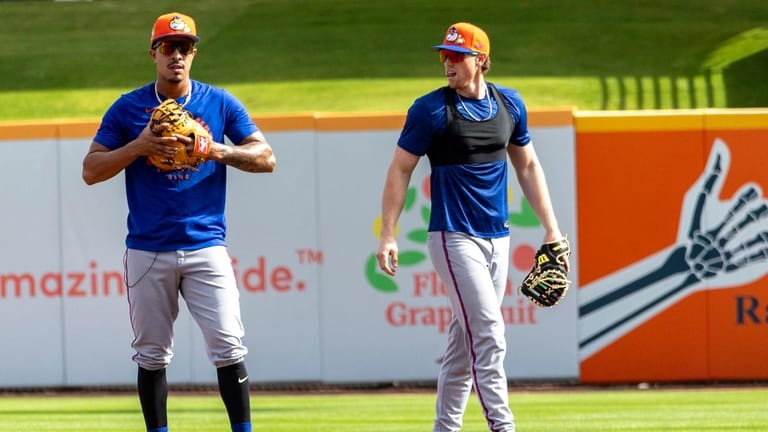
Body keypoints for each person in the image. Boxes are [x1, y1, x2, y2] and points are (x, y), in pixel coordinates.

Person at [82, 12, 275, 432]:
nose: (177, 55)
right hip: (148, 248)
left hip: (206, 244)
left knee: (228, 344)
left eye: (185, 47)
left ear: (194, 54)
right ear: (153, 53)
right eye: (168, 47)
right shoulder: (128, 107)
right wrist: (138, 146)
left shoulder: (219, 103)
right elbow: (91, 169)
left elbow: (266, 158)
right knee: (151, 353)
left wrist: (216, 151)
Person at [376, 22, 569, 432]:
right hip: (453, 235)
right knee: (490, 334)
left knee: (465, 344)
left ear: (480, 60)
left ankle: (445, 428)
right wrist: (389, 234)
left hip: (498, 238)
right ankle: (503, 426)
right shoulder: (430, 110)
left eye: (456, 55)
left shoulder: (510, 104)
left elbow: (529, 166)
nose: (447, 62)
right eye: (444, 55)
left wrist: (552, 230)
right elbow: (400, 170)